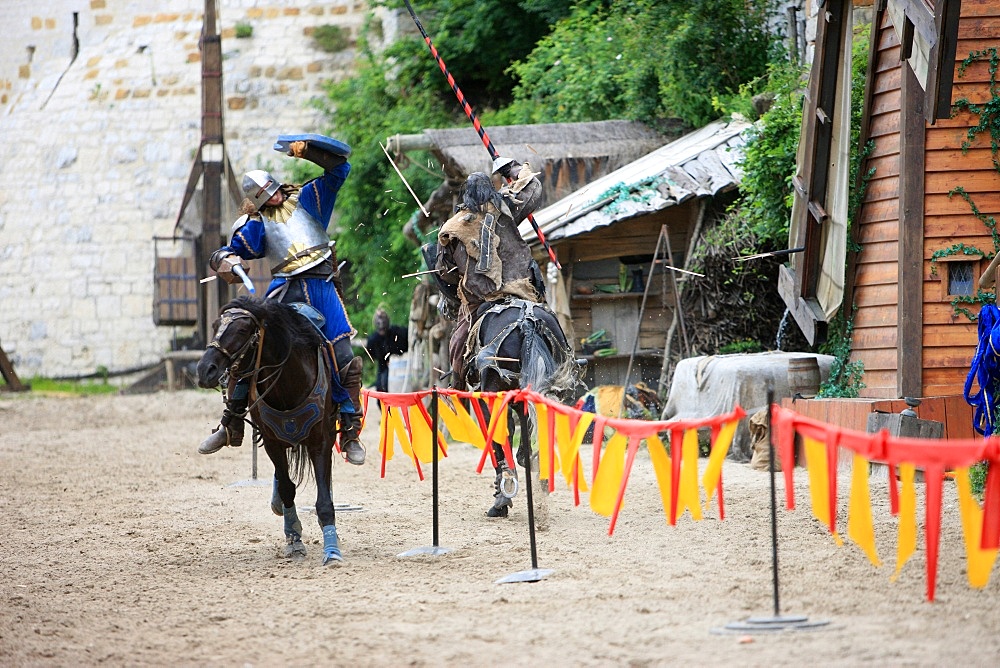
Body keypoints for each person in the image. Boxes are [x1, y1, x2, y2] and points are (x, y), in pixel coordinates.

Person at [199, 135, 366, 466]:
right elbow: (227, 251)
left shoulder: (308, 200)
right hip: (284, 287)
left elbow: (340, 168)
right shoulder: (255, 226)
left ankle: (349, 429)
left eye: (273, 190)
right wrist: (226, 261)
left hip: (321, 285)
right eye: (264, 196)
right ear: (255, 201)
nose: (272, 197)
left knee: (344, 354)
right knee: (252, 342)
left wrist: (307, 151)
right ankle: (231, 422)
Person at [428, 156, 547, 388]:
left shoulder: (451, 228)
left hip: (480, 300)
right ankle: (567, 363)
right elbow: (533, 187)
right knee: (544, 317)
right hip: (522, 291)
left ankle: (458, 384)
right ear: (491, 188)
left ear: (466, 195)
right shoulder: (508, 206)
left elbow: (446, 274)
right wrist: (509, 166)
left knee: (458, 346)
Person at [365, 306, 409, 396]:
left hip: (400, 365)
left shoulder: (397, 332)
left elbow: (407, 341)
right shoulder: (373, 339)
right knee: (381, 387)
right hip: (383, 365)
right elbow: (371, 352)